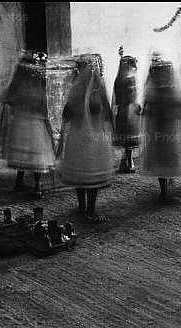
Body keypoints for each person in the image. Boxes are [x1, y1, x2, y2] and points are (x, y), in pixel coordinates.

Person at [56, 54, 114, 223]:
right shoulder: (90, 90)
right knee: (90, 173)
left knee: (82, 171)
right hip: (89, 138)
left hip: (82, 137)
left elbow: (68, 113)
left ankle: (84, 207)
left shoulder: (80, 89)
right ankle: (89, 210)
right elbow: (104, 112)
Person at [0, 52, 55, 196]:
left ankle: (19, 182)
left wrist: (3, 129)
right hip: (34, 124)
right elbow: (43, 108)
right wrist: (48, 127)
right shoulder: (37, 87)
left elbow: (7, 103)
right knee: (36, 156)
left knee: (22, 155)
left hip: (19, 124)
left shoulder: (17, 86)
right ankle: (37, 186)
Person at [140, 53, 181, 204]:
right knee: (166, 159)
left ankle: (165, 189)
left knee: (164, 160)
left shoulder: (153, 89)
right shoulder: (165, 91)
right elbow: (174, 110)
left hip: (159, 131)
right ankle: (164, 193)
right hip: (166, 132)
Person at [112, 47, 142, 173]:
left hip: (123, 110)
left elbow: (117, 98)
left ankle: (126, 161)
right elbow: (131, 96)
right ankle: (128, 161)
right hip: (129, 110)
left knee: (126, 138)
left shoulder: (119, 79)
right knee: (129, 138)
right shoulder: (129, 78)